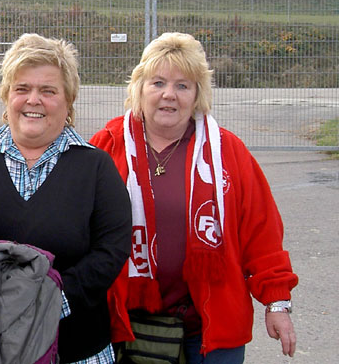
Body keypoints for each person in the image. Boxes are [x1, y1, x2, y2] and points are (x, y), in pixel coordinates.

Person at [90, 32, 298, 363]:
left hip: (211, 328)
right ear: (139, 88)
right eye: (157, 83)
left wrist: (277, 303)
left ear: (197, 94)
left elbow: (262, 234)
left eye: (182, 85)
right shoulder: (107, 145)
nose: (168, 95)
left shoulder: (228, 152)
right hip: (127, 323)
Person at [0, 33, 132, 363]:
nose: (33, 99)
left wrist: (48, 298)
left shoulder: (96, 167)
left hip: (75, 346)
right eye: (22, 88)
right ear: (7, 96)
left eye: (48, 91)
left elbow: (112, 249)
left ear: (68, 100)